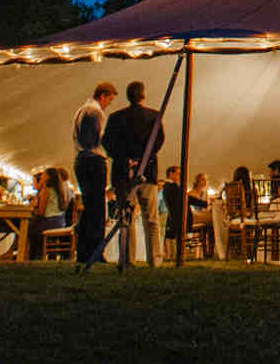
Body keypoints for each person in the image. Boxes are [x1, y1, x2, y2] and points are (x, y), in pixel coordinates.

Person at [102, 80, 165, 267]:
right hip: (148, 171)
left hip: (123, 173)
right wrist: (142, 158)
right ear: (143, 96)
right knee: (151, 219)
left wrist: (124, 158)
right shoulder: (154, 116)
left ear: (128, 96)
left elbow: (107, 143)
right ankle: (154, 259)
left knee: (126, 218)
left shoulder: (115, 117)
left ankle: (127, 259)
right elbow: (158, 141)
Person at [73, 80, 118, 264]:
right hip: (92, 161)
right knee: (97, 209)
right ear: (102, 96)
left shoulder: (81, 110)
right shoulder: (94, 112)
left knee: (90, 207)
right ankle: (95, 252)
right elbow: (94, 140)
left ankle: (84, 251)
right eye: (109, 100)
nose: (108, 104)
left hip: (82, 160)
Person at [161, 166, 208, 259]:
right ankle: (209, 251)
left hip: (177, 218)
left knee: (209, 221)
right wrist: (205, 204)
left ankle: (206, 252)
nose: (180, 176)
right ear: (171, 174)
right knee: (211, 221)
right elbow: (187, 199)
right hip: (182, 219)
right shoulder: (172, 187)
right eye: (178, 173)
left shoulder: (168, 187)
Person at [29, 167, 66, 260]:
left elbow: (41, 212)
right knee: (32, 226)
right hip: (60, 222)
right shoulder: (59, 190)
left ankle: (33, 257)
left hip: (50, 222)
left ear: (48, 177)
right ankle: (48, 255)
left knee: (29, 229)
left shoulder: (46, 191)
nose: (41, 176)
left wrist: (34, 208)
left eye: (44, 175)